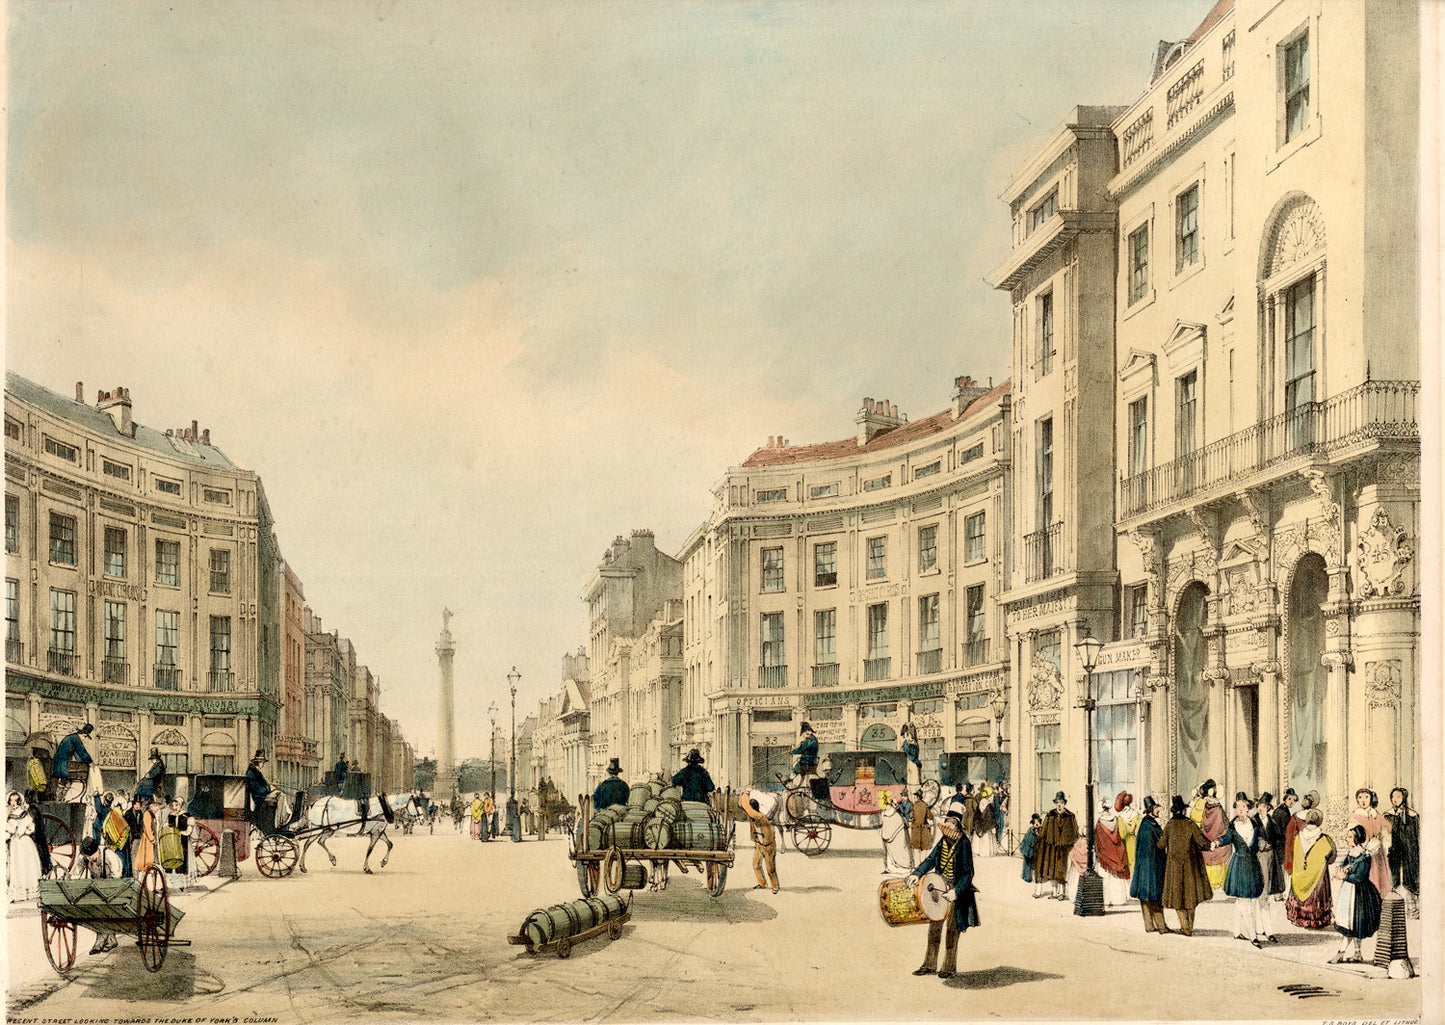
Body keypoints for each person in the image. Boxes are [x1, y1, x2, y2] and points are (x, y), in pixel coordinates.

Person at [907, 808, 978, 980]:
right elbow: (931, 859)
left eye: (952, 823)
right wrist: (917, 873)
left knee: (952, 930)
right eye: (947, 821)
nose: (947, 825)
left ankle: (949, 967)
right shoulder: (943, 839)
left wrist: (956, 891)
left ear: (958, 826)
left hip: (955, 889)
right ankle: (929, 964)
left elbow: (968, 873)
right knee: (934, 928)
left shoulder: (964, 843)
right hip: (939, 885)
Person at [1215, 794, 1273, 946]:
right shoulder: (1233, 827)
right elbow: (1225, 838)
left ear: (1248, 809)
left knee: (1247, 900)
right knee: (1244, 901)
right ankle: (1253, 936)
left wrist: (1261, 843)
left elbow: (1259, 838)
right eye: (1238, 807)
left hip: (1252, 864)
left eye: (1243, 807)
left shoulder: (1254, 824)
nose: (1240, 809)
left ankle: (1236, 931)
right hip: (1239, 865)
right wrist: (1216, 842)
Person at [1159, 794, 1212, 936]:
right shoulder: (1190, 824)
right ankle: (1190, 926)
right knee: (1190, 896)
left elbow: (1161, 844)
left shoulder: (1169, 825)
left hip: (1174, 866)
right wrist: (1211, 845)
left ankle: (1184, 926)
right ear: (1183, 811)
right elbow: (1202, 842)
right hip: (1190, 865)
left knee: (1177, 897)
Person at [1330, 824, 1382, 963]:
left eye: (1349, 836)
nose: (1347, 839)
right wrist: (1340, 869)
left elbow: (1360, 877)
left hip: (1359, 894)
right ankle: (1357, 953)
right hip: (1348, 891)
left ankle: (1341, 953)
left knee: (1353, 925)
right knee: (1350, 925)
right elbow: (1346, 865)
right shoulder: (1352, 851)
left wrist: (1344, 876)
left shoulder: (1364, 856)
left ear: (1357, 838)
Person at [1286, 808, 1335, 929]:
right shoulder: (1326, 839)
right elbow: (1332, 858)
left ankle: (1298, 918)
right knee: (1316, 895)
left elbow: (1292, 854)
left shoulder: (1298, 837)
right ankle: (1316, 921)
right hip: (1318, 878)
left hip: (1299, 877)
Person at [76, 837, 121, 954]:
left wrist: (108, 890)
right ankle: (110, 939)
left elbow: (117, 876)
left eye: (92, 855)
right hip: (97, 887)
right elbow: (75, 875)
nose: (90, 858)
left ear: (97, 850)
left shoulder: (109, 856)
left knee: (105, 908)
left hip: (114, 886)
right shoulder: (84, 858)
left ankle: (102, 941)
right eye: (88, 856)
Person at [1131, 797, 1169, 933]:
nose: (1159, 810)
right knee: (1154, 895)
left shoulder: (1144, 824)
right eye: (1156, 808)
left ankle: (1149, 925)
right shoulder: (1151, 826)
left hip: (1144, 866)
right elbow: (1158, 846)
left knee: (1145, 896)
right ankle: (1161, 926)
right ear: (1151, 810)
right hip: (1152, 866)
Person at [1347, 788, 1390, 900]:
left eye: (1366, 797)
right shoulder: (1355, 816)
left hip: (1377, 851)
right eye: (1360, 797)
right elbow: (1352, 834)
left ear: (1371, 798)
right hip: (1363, 850)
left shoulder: (1376, 814)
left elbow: (1386, 828)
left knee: (1379, 876)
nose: (1363, 800)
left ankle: (1379, 899)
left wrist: (1383, 842)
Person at [1385, 787, 1419, 919]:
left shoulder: (1412, 815)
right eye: (1393, 797)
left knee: (1408, 879)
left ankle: (1411, 911)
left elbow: (1414, 837)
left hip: (1408, 852)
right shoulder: (1387, 815)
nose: (1395, 799)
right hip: (1393, 851)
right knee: (1393, 879)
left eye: (1398, 797)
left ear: (1404, 798)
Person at [1189, 779, 1230, 889]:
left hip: (1206, 840)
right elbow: (1223, 825)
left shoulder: (1202, 804)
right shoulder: (1215, 807)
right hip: (1210, 840)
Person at [1036, 792, 1077, 901]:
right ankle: (1054, 892)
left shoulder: (1070, 816)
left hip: (1064, 847)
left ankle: (1062, 893)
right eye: (1057, 802)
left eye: (1061, 803)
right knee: (1052, 869)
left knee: (1062, 870)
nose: (1059, 805)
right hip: (1052, 846)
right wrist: (1041, 840)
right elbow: (1044, 830)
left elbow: (1074, 832)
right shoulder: (1050, 815)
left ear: (1064, 803)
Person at [7, 791, 44, 901]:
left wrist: (18, 831)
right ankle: (27, 893)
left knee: (23, 865)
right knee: (23, 866)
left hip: (20, 843)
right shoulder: (21, 814)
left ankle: (24, 893)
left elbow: (14, 829)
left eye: (15, 800)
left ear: (19, 801)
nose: (13, 803)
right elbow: (30, 828)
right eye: (11, 800)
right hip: (22, 842)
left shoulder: (16, 815)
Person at [1095, 795, 1131, 906]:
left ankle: (1106, 900)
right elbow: (1121, 835)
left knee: (1105, 878)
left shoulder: (1100, 822)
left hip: (1105, 854)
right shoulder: (1116, 819)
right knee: (1116, 877)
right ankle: (1118, 900)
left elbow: (1098, 840)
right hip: (1116, 852)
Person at [741, 793, 779, 892]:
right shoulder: (754, 817)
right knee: (756, 864)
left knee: (770, 869)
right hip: (760, 845)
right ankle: (762, 883)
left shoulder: (759, 817)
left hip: (768, 846)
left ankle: (775, 886)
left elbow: (747, 808)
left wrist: (744, 795)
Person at [159, 795, 194, 891]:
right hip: (172, 840)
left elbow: (189, 829)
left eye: (177, 805)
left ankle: (182, 884)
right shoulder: (171, 815)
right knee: (170, 858)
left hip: (183, 840)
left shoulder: (187, 816)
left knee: (182, 861)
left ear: (181, 805)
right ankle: (168, 884)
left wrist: (184, 832)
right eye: (173, 805)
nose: (175, 807)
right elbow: (168, 826)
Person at [1257, 792, 1286, 900]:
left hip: (1271, 852)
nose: (1261, 808)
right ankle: (1262, 896)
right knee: (1262, 876)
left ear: (1268, 808)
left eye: (1264, 806)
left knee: (1271, 876)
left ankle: (1268, 896)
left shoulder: (1272, 821)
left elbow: (1277, 836)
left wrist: (1273, 843)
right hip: (1259, 853)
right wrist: (1259, 841)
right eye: (1260, 805)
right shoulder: (1253, 820)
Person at [1271, 788, 1299, 899]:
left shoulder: (1284, 810)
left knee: (1281, 870)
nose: (1291, 802)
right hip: (1280, 845)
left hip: (1281, 844)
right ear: (1285, 799)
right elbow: (1282, 831)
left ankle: (1280, 894)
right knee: (1280, 870)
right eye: (1289, 799)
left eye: (1293, 800)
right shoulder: (1281, 812)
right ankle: (1279, 894)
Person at [879, 791, 914, 875]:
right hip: (901, 828)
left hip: (902, 827)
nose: (902, 798)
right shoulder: (897, 808)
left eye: (904, 796)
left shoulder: (909, 804)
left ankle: (898, 867)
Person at [122, 793, 147, 878]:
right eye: (136, 804)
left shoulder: (142, 814)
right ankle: (134, 876)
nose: (137, 806)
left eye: (139, 804)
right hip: (131, 840)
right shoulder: (128, 814)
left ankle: (139, 876)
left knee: (140, 858)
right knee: (132, 858)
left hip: (140, 839)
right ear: (133, 804)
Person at [1115, 792, 1140, 876]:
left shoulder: (1120, 816)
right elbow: (1138, 832)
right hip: (1133, 842)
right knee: (1133, 863)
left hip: (1122, 843)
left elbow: (1121, 834)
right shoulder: (1136, 815)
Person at [1020, 813, 1043, 896]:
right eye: (1035, 823)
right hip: (1031, 851)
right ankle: (1028, 877)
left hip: (1040, 853)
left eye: (1038, 823)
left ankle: (1038, 887)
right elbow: (1028, 841)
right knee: (1031, 865)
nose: (1037, 824)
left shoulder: (1042, 831)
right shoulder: (1030, 831)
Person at [908, 788, 934, 854]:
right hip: (924, 830)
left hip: (916, 831)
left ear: (917, 797)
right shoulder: (925, 805)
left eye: (915, 796)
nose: (914, 798)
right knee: (925, 850)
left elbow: (911, 816)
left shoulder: (914, 805)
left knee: (916, 850)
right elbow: (930, 817)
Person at [992, 780, 1009, 850]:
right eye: (1000, 787)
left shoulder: (1006, 797)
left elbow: (1006, 807)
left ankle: (999, 842)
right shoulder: (995, 797)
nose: (1001, 789)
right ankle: (997, 842)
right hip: (997, 814)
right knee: (997, 827)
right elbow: (994, 806)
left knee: (1001, 827)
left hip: (1002, 814)